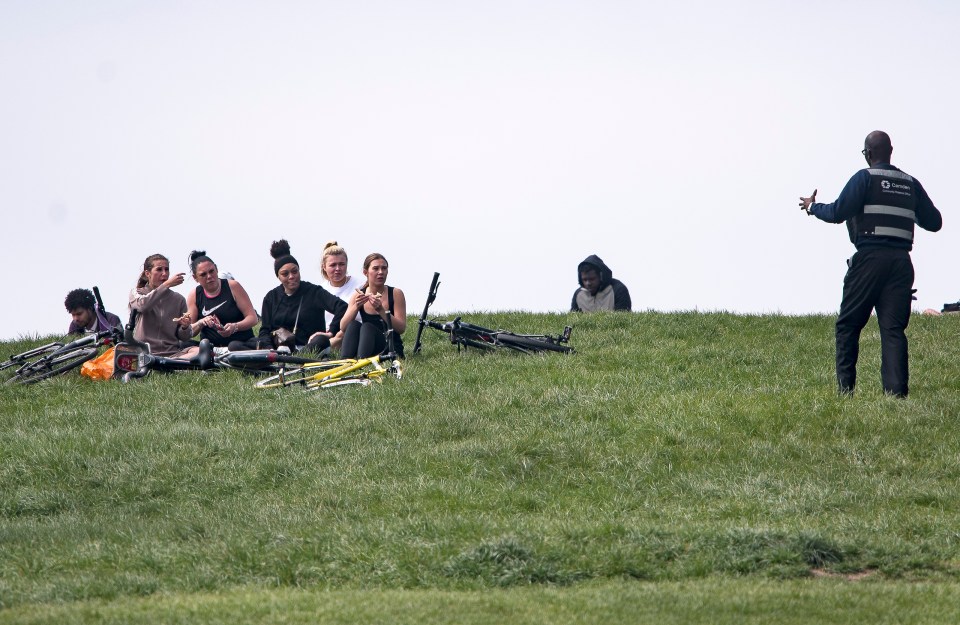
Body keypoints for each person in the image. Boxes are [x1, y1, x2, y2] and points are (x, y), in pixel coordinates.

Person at [799, 130, 942, 398]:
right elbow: (934, 222)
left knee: (848, 325)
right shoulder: (910, 183)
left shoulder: (863, 179)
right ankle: (896, 396)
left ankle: (846, 393)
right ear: (891, 151)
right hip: (901, 264)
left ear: (868, 154)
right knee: (893, 330)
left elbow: (837, 213)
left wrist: (812, 207)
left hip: (869, 259)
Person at [254, 239, 348, 353]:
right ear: (278, 276)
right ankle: (277, 356)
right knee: (237, 345)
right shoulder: (271, 297)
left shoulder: (314, 291)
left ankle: (295, 357)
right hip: (278, 348)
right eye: (285, 274)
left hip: (307, 346)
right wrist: (269, 349)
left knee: (321, 341)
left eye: (295, 271)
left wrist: (331, 332)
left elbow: (342, 307)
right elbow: (264, 330)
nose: (291, 276)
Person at [184, 250, 258, 351]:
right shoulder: (194, 295)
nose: (209, 277)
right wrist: (200, 323)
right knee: (182, 344)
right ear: (195, 278)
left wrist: (235, 326)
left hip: (239, 343)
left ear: (217, 269)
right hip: (211, 347)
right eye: (203, 274)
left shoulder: (233, 286)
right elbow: (190, 332)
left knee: (234, 346)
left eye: (211, 271)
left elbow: (253, 318)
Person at [128, 253, 196, 357]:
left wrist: (185, 327)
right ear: (147, 273)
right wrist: (166, 285)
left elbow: (184, 337)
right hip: (144, 354)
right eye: (159, 270)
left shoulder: (179, 299)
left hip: (171, 354)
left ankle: (173, 365)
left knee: (199, 351)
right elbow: (143, 306)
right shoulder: (137, 292)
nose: (164, 274)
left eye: (166, 269)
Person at [340, 253, 407, 359]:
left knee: (367, 327)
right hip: (368, 345)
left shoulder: (395, 293)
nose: (380, 272)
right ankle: (345, 361)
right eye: (376, 268)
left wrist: (381, 310)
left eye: (384, 268)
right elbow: (343, 327)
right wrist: (356, 307)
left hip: (390, 347)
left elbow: (401, 328)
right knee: (353, 325)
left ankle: (362, 362)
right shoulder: (358, 294)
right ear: (365, 272)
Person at [318, 241, 364, 350]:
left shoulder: (360, 285)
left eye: (341, 264)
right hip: (327, 334)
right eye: (333, 265)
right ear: (324, 267)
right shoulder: (320, 290)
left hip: (352, 332)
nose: (338, 269)